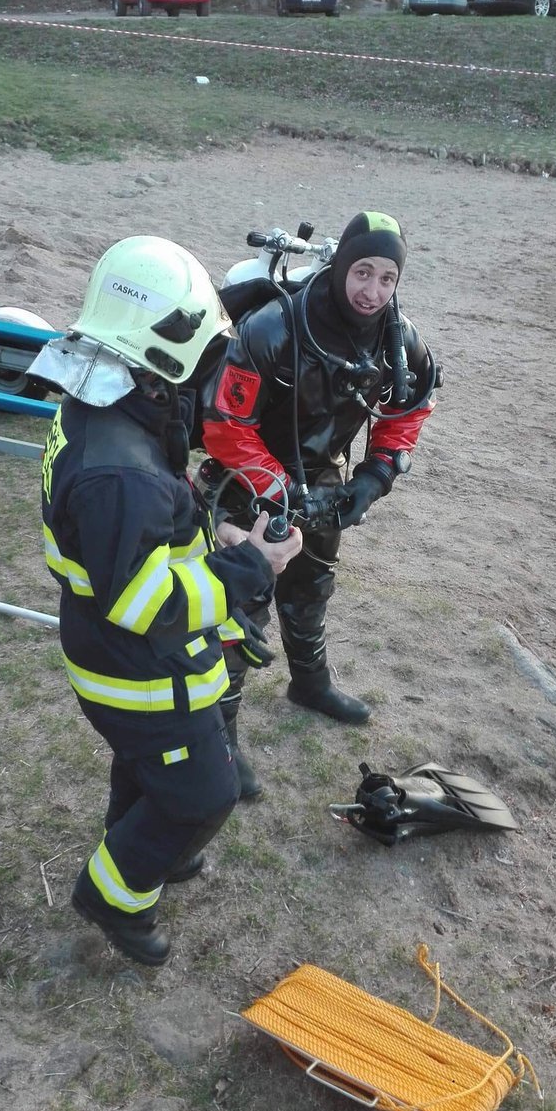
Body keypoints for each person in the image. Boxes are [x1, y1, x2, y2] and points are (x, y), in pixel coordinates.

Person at [28, 236, 302, 966]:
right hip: (137, 664)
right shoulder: (120, 474)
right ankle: (115, 896)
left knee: (149, 765)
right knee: (203, 794)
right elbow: (144, 600)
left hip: (114, 647)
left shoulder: (103, 398)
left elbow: (139, 542)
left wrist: (218, 537)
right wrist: (250, 567)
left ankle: (150, 850)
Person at [198, 212, 437, 796]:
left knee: (311, 585)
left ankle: (309, 681)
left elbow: (411, 406)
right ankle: (219, 737)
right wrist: (282, 493)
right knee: (240, 606)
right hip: (244, 479)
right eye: (362, 271)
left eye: (387, 277)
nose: (372, 290)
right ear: (338, 266)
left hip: (322, 478)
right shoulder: (274, 329)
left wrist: (375, 475)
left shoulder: (397, 339)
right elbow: (225, 425)